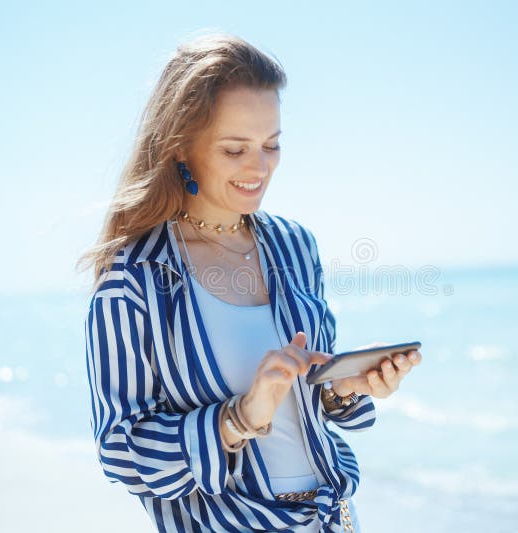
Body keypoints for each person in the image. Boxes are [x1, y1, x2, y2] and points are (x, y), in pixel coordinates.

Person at [78, 33, 421, 532]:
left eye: (272, 145)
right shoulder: (132, 279)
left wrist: (343, 387)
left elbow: (308, 408)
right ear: (179, 147)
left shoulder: (294, 246)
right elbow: (122, 452)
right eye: (235, 149)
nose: (259, 168)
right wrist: (239, 417)